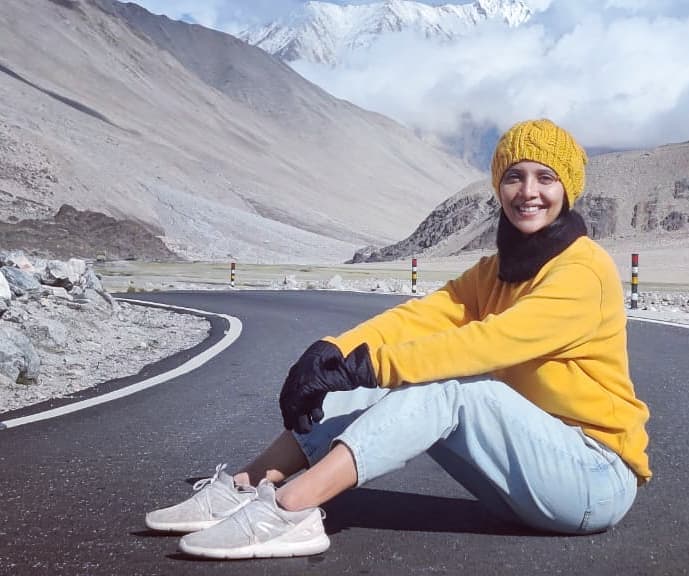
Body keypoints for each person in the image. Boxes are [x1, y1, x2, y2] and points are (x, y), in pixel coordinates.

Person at [145, 118, 652, 560]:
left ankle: (290, 510)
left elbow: (489, 343)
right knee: (378, 371)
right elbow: (423, 317)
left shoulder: (584, 270)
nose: (528, 191)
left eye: (546, 178)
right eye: (514, 177)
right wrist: (332, 354)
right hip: (524, 476)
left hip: (592, 479)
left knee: (448, 382)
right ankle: (247, 485)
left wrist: (367, 366)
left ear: (568, 190)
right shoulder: (495, 270)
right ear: (499, 186)